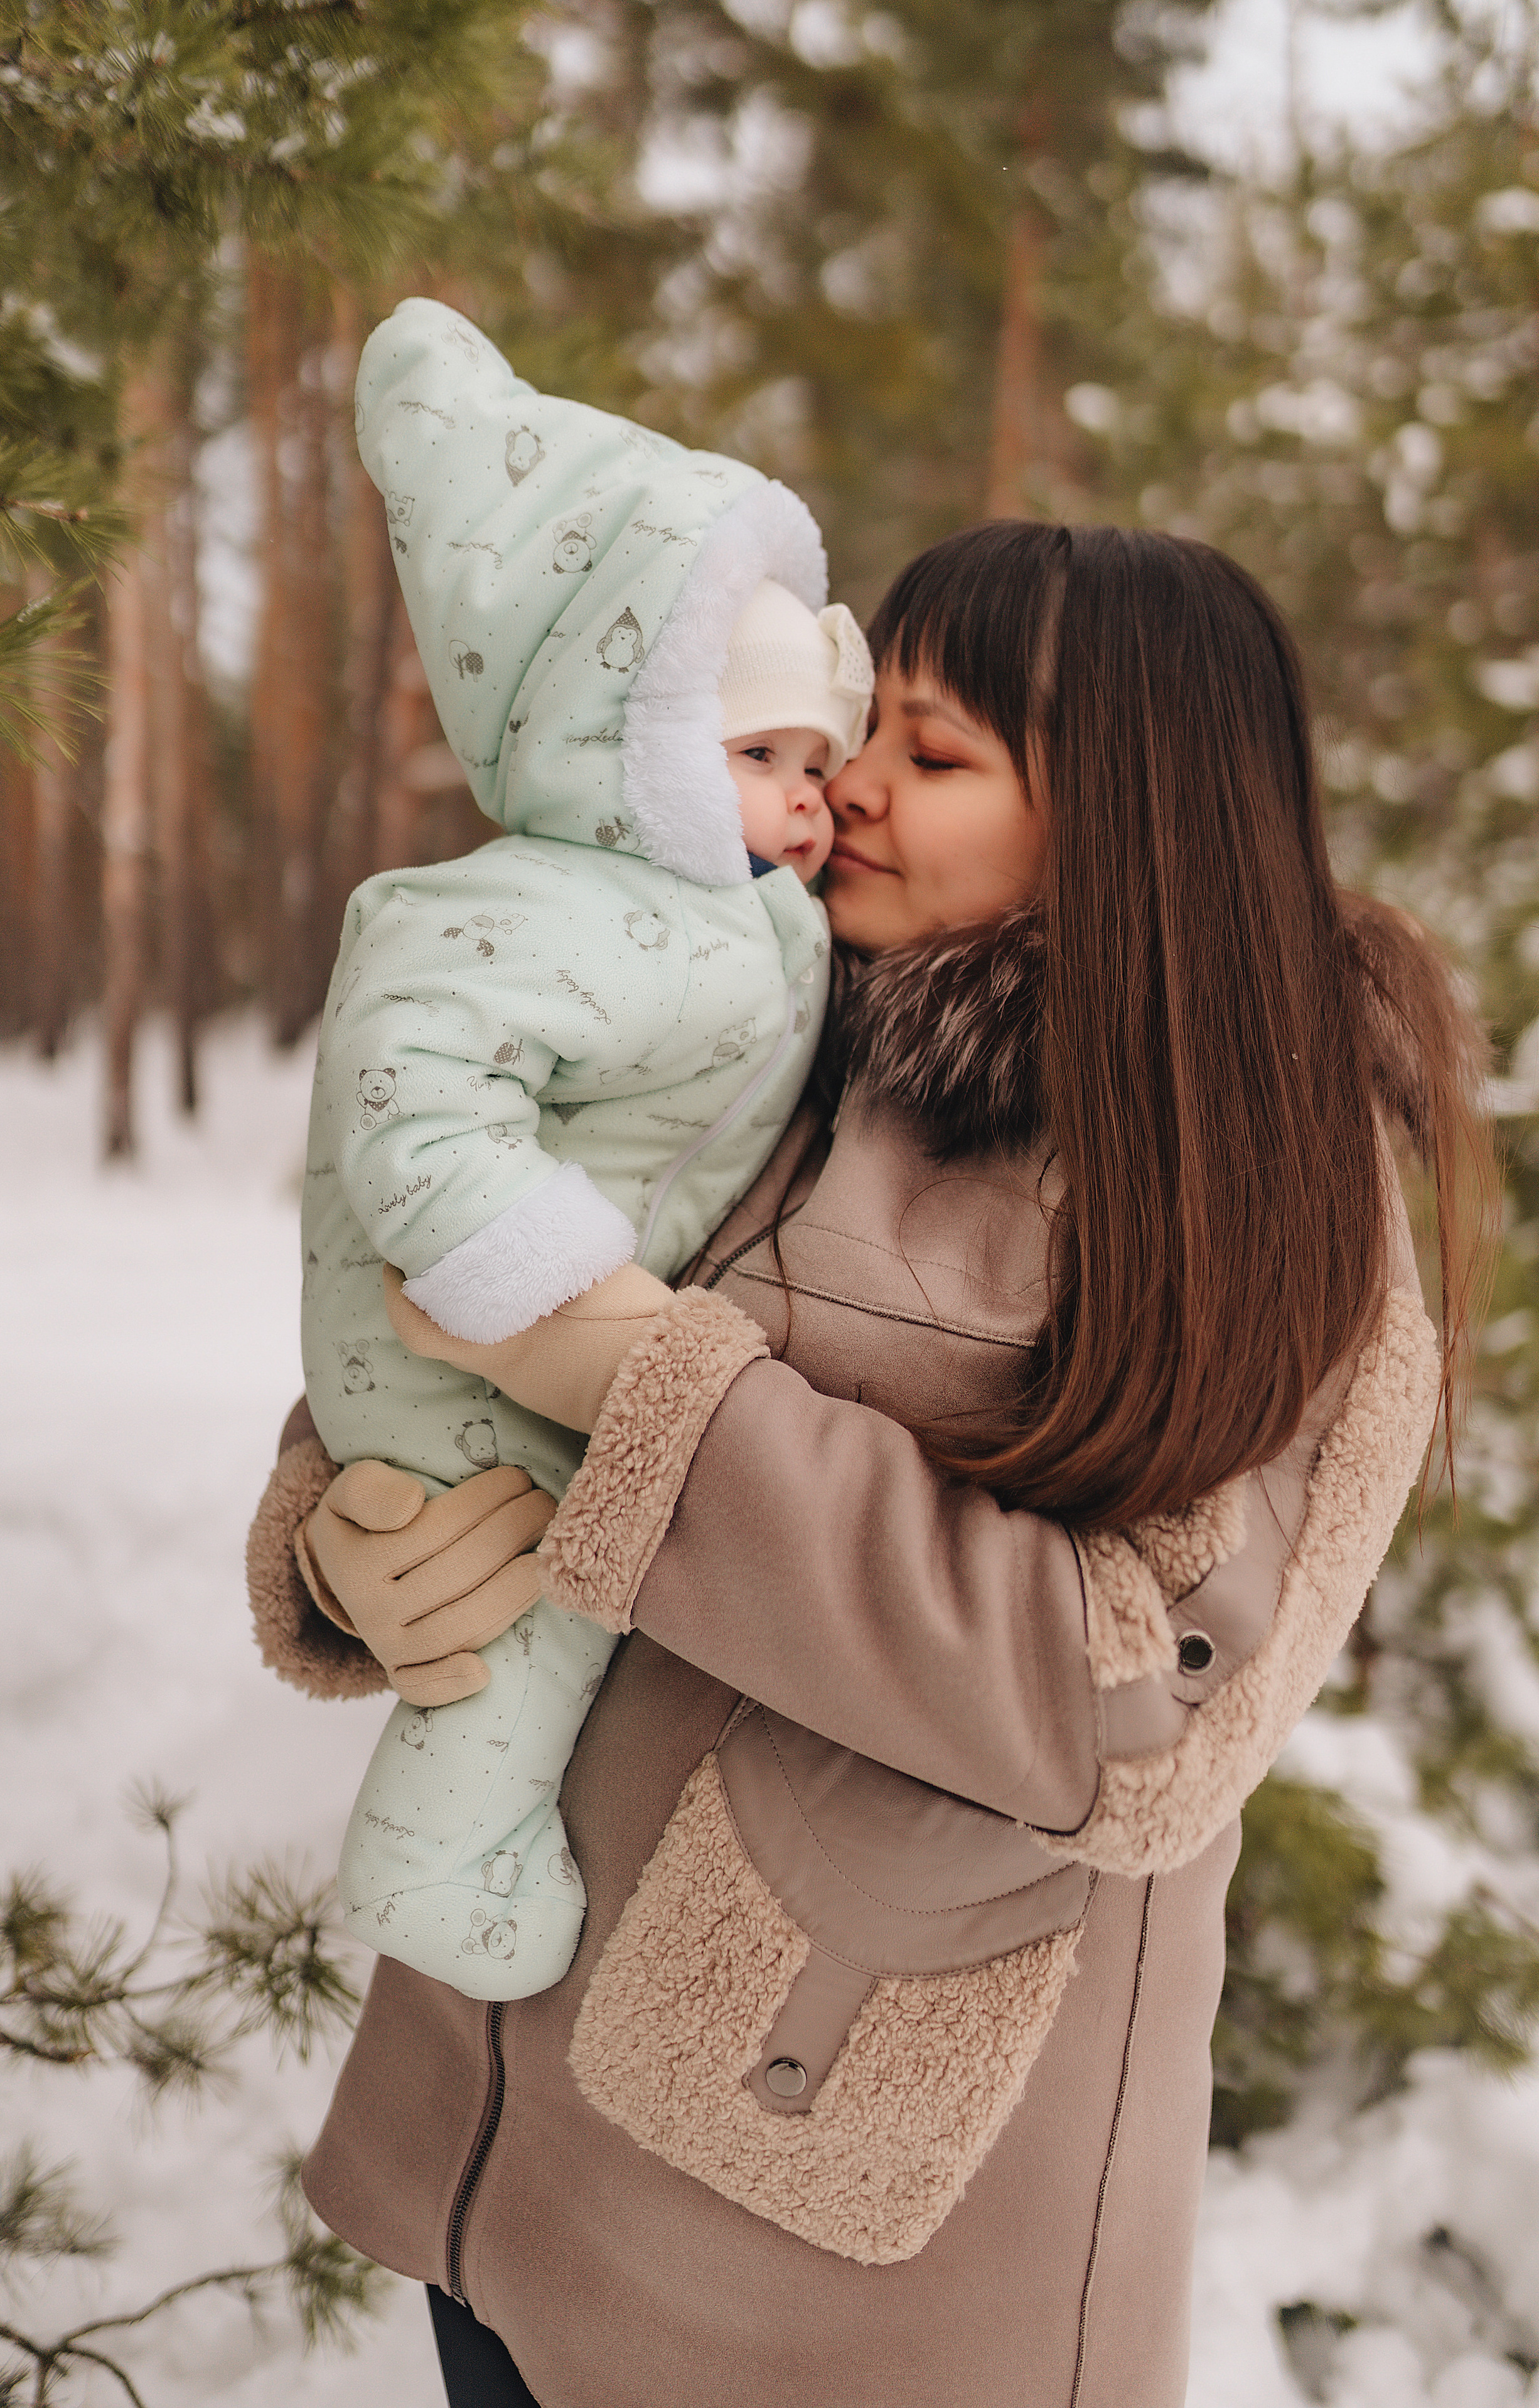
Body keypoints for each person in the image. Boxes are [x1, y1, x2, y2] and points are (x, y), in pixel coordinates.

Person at [247, 518, 1493, 2408]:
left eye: (938, 749)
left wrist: (651, 1394)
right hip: (506, 2136)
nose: (852, 784)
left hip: (811, 2246)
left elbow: (1128, 1705)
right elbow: (469, 1299)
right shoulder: (776, 1016)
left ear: (1133, 809)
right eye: (861, 726)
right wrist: (343, 1529)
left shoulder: (1266, 1181)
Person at [301, 297, 871, 2002]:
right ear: (632, 745)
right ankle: (430, 1860)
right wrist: (538, 1289)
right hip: (476, 1333)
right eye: (766, 758)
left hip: (537, 1347)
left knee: (558, 1588)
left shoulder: (733, 926)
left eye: (821, 765)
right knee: (545, 1609)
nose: (824, 805)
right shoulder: (577, 906)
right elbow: (414, 1075)